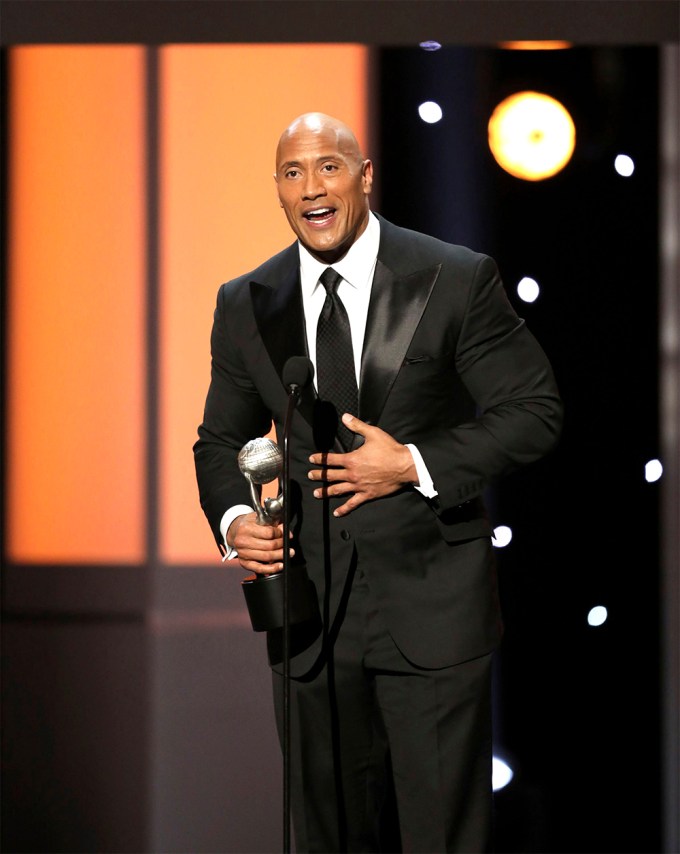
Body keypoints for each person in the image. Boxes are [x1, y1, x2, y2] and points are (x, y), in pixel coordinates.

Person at [194, 112, 562, 853]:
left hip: (431, 604)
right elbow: (221, 440)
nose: (311, 188)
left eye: (329, 167)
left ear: (365, 177)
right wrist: (237, 523)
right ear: (278, 190)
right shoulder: (247, 301)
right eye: (292, 173)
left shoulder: (453, 277)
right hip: (307, 618)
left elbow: (535, 412)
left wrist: (414, 464)